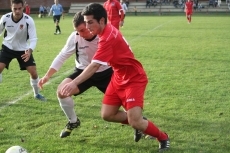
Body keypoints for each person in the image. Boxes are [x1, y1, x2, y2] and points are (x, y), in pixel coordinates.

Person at [61, 3, 170, 151]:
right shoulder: (104, 31)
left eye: (90, 22)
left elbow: (94, 66)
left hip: (133, 78)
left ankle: (163, 137)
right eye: (85, 22)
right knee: (107, 114)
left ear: (101, 21)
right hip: (118, 77)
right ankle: (137, 122)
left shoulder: (107, 38)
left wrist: (74, 83)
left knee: (134, 121)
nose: (87, 26)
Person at [38, 11, 143, 141]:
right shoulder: (75, 37)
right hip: (83, 72)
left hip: (107, 73)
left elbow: (127, 50)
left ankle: (139, 123)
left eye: (83, 30)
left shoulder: (106, 35)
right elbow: (62, 55)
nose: (81, 34)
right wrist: (48, 75)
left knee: (126, 103)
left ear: (89, 25)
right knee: (62, 91)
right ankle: (73, 121)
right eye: (78, 31)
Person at [0, 0, 46, 101]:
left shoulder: (28, 20)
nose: (17, 11)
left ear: (23, 7)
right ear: (11, 7)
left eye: (19, 8)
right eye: (14, 9)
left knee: (33, 72)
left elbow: (33, 38)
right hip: (7, 47)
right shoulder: (5, 18)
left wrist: (29, 51)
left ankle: (36, 94)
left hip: (23, 49)